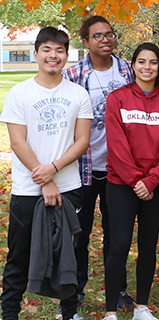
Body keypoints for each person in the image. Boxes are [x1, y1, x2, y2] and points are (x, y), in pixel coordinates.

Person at [0, 26, 93, 320]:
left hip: (68, 186)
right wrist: (45, 180)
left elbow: (82, 141)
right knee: (18, 254)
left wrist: (53, 172)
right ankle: (10, 312)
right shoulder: (19, 93)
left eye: (60, 50)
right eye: (47, 50)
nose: (53, 56)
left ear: (67, 55)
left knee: (69, 251)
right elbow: (17, 142)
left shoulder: (78, 94)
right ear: (37, 53)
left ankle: (69, 313)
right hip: (27, 190)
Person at [101, 43, 159, 320]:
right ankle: (111, 311)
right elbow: (116, 145)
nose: (147, 67)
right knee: (119, 244)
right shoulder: (118, 99)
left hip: (157, 187)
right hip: (122, 184)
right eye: (141, 62)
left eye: (153, 63)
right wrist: (138, 180)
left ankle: (142, 308)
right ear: (133, 65)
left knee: (148, 244)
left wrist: (152, 181)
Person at [62, 15, 134, 310]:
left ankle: (118, 291)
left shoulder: (127, 69)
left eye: (109, 34)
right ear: (86, 41)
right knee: (80, 234)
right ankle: (75, 292)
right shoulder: (75, 74)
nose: (105, 39)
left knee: (117, 236)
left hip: (119, 169)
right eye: (97, 36)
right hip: (84, 169)